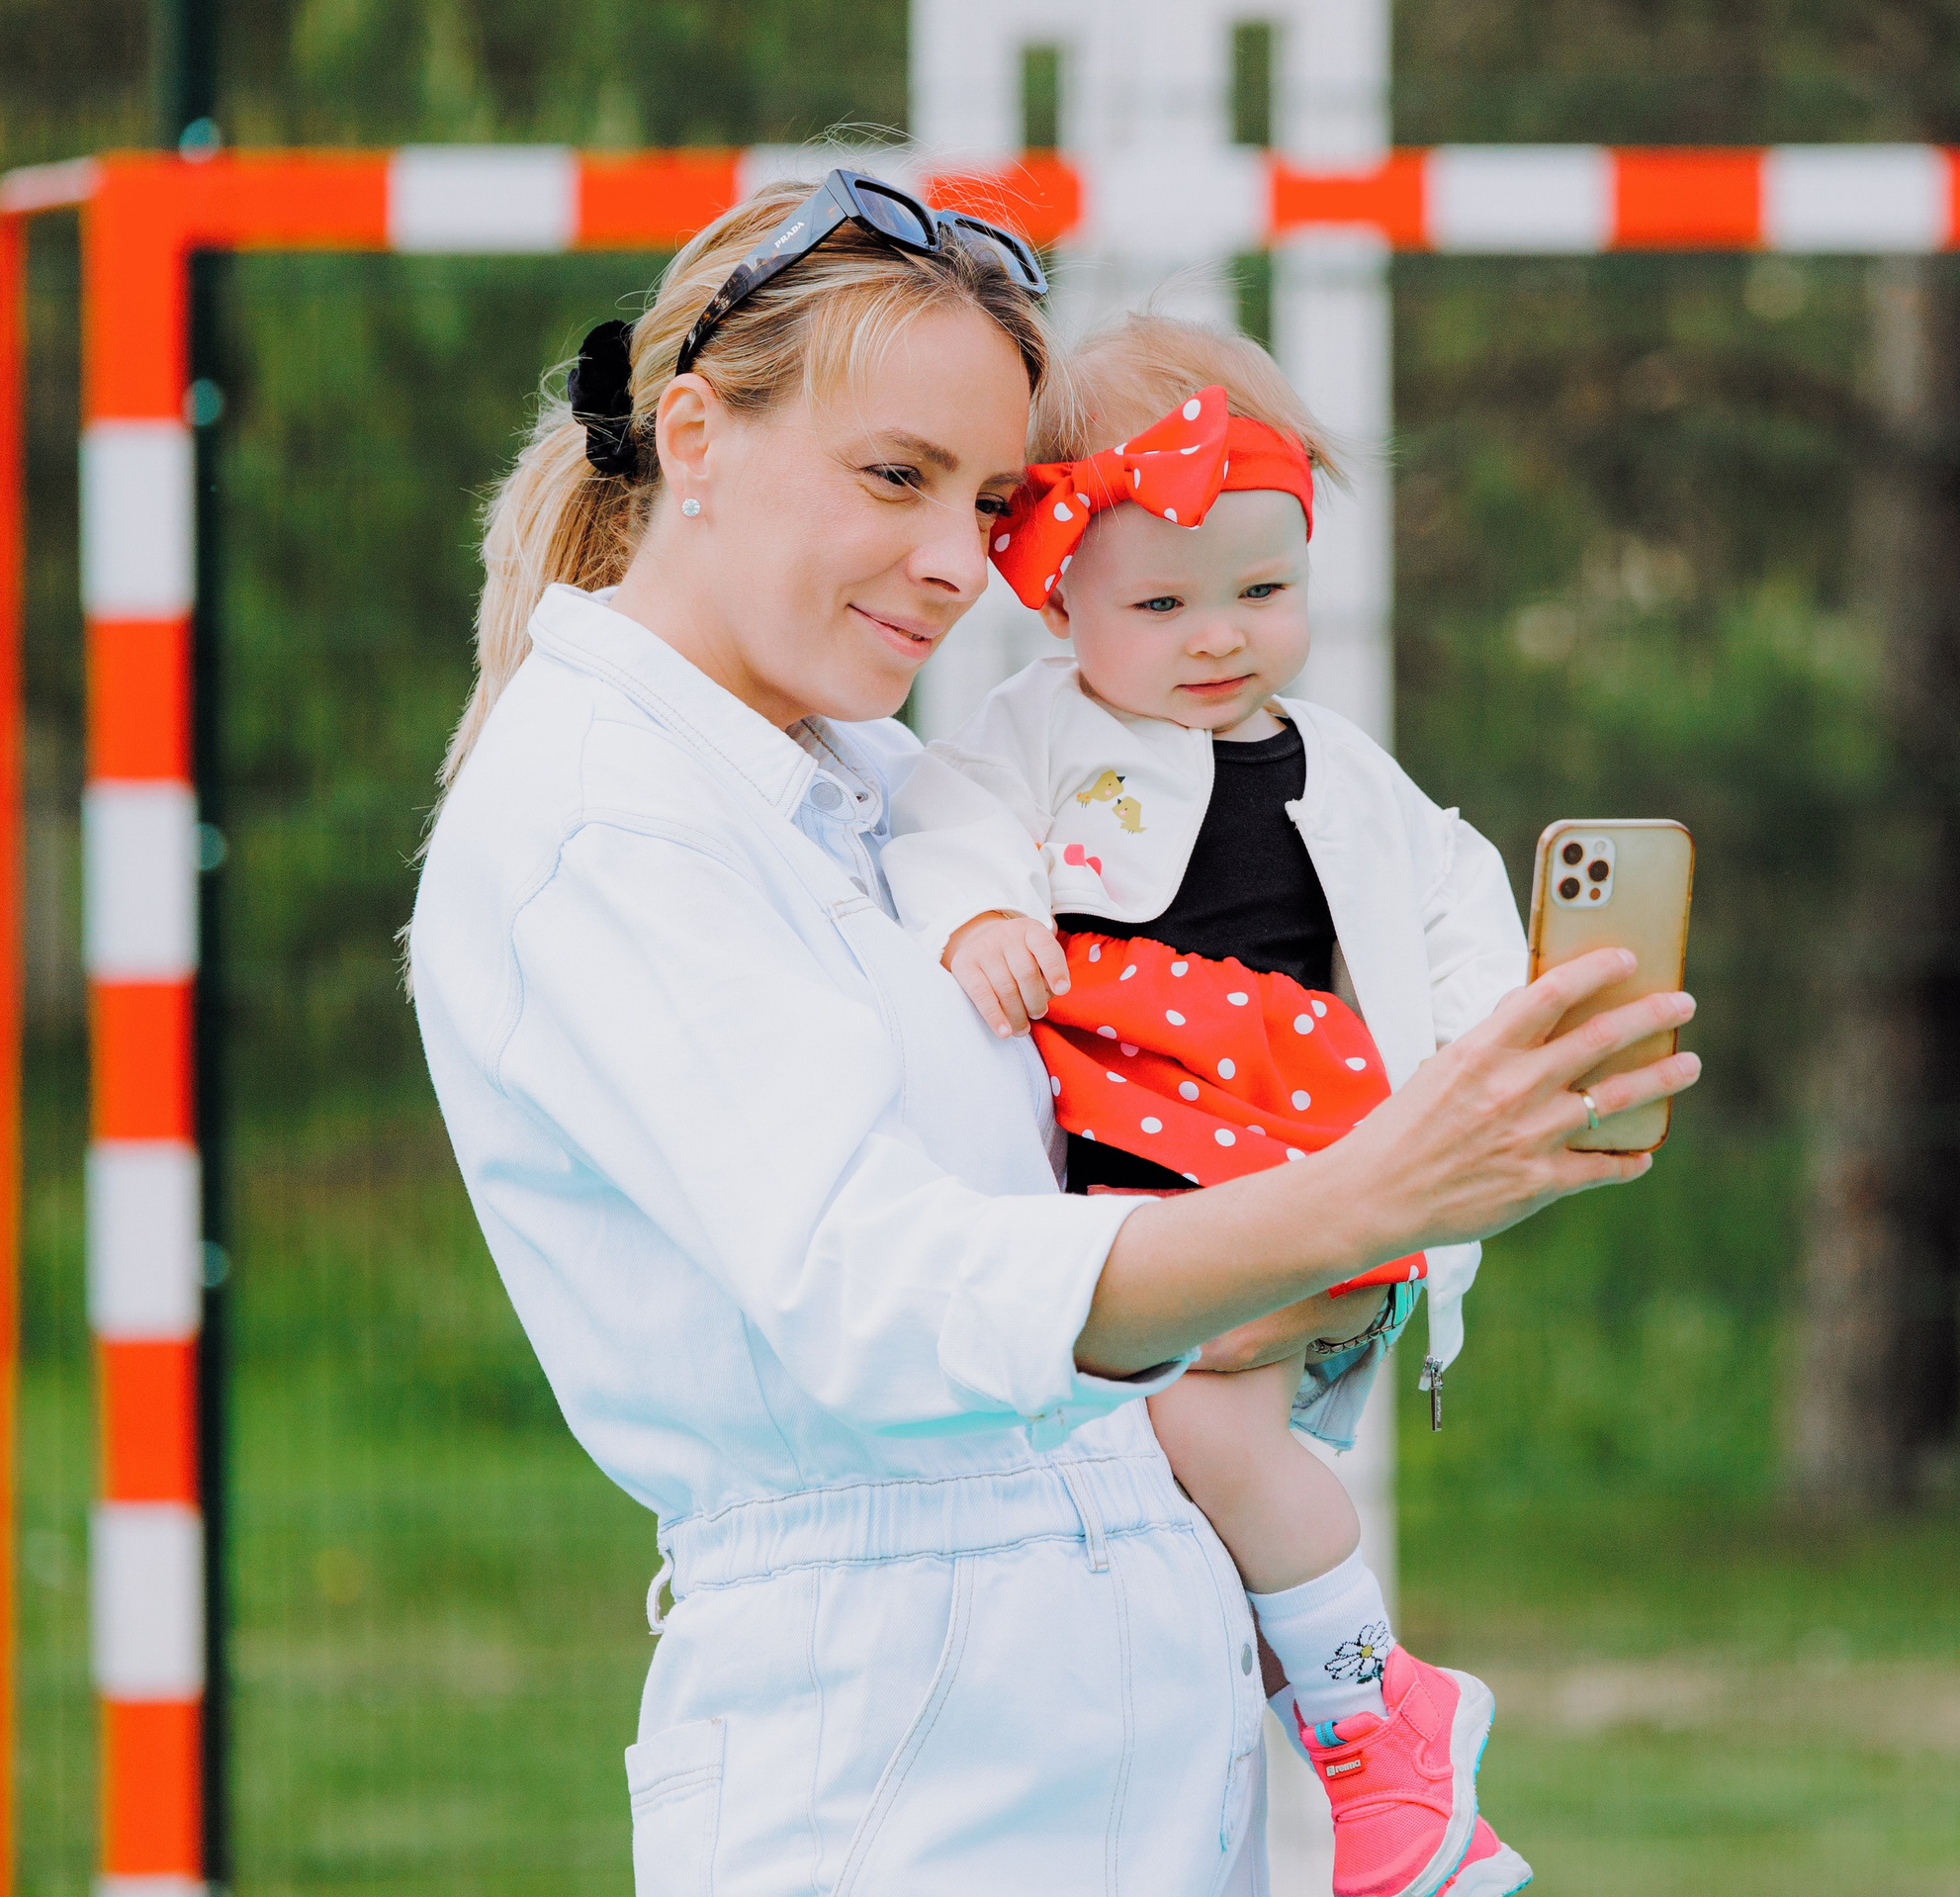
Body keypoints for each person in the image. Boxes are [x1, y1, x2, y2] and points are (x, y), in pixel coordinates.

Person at [405, 163, 1699, 1897]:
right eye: (897, 476)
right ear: (693, 438)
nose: (959, 563)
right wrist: (1366, 1200)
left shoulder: (896, 789)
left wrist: (1426, 1189)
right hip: (900, 1786)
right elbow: (880, 1295)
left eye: (999, 501)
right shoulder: (597, 815)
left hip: (1135, 1739)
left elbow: (1112, 1242)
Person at [880, 314, 1532, 1897]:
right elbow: (944, 812)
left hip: (1293, 1164)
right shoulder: (1041, 733)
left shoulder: (1339, 766)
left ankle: (1392, 1725)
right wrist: (979, 917)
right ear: (1059, 589)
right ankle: (1296, 1748)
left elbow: (1456, 895)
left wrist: (1481, 1051)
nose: (1217, 636)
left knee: (1203, 1436)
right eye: (1161, 601)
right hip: (1137, 1178)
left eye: (1262, 589)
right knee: (1188, 1508)